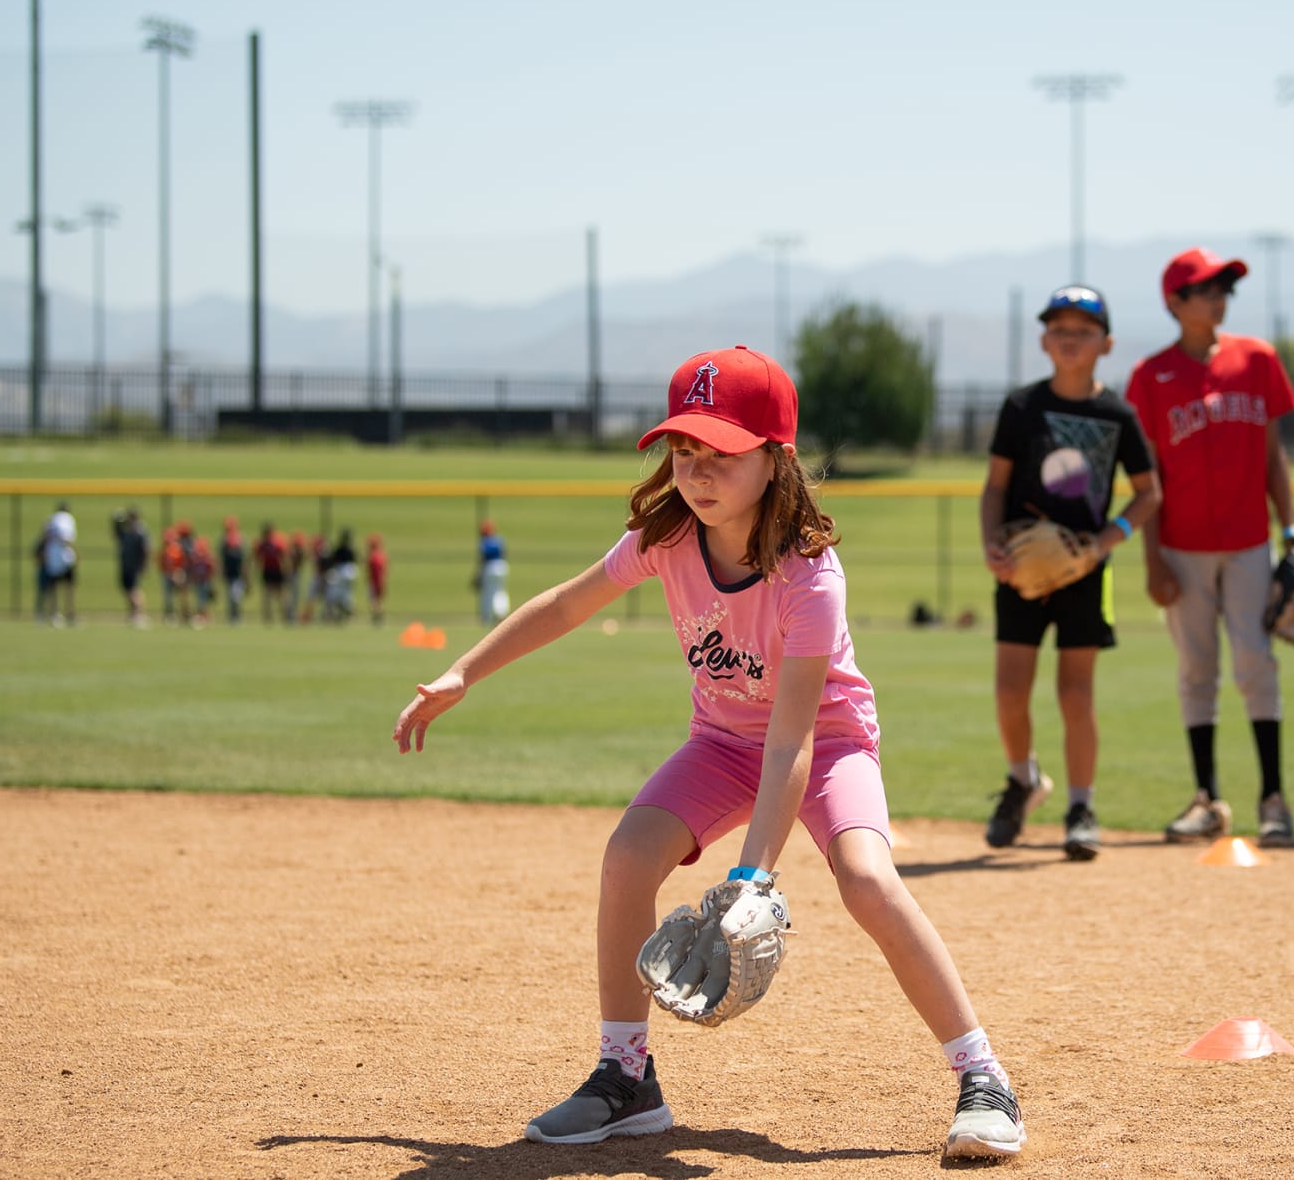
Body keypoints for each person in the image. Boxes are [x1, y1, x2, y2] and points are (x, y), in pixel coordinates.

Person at [391, 346, 1027, 1158]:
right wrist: (463, 672)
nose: (696, 471)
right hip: (723, 742)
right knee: (628, 857)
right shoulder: (667, 538)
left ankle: (983, 1077)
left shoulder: (808, 577)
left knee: (866, 878)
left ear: (775, 458)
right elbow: (566, 605)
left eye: (721, 453)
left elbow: (794, 737)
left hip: (825, 745)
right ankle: (625, 1077)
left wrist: (754, 878)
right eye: (683, 451)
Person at [1124, 247, 1294, 845]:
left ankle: (1274, 798)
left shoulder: (1258, 359)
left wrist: (1292, 533)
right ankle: (1207, 799)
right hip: (1180, 547)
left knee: (1257, 663)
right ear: (1175, 303)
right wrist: (1151, 558)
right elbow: (1146, 478)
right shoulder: (1151, 376)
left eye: (1224, 285)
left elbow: (1275, 455)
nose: (1218, 295)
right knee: (1196, 671)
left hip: (1251, 541)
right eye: (1204, 288)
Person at [978, 285, 1161, 862]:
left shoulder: (1117, 414)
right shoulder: (1022, 407)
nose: (1070, 338)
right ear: (1043, 340)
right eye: (1059, 328)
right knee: (1010, 693)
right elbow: (996, 487)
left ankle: (1081, 806)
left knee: (1075, 695)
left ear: (1105, 344)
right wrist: (990, 544)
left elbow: (1149, 494)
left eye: (1083, 330)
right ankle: (1022, 781)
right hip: (1020, 569)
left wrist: (1110, 539)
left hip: (1084, 568)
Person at [36, 501, 78, 626]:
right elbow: (66, 538)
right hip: (65, 557)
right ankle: (70, 614)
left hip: (52, 557)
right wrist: (75, 551)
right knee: (69, 588)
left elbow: (44, 536)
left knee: (53, 588)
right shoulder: (67, 519)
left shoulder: (51, 520)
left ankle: (54, 614)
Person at [114, 507, 149, 626]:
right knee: (128, 590)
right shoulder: (126, 529)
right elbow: (117, 536)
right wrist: (116, 522)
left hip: (134, 564)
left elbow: (146, 549)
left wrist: (144, 564)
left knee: (134, 590)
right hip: (125, 564)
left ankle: (139, 614)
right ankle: (132, 613)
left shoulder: (140, 530)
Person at [477, 520, 510, 626]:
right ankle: (502, 613)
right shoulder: (499, 540)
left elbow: (483, 559)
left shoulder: (484, 542)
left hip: (489, 567)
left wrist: (478, 575)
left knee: (488, 592)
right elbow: (504, 553)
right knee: (500, 590)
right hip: (502, 566)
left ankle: (487, 617)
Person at [254, 524, 288, 626]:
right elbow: (258, 557)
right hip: (267, 570)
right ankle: (268, 618)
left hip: (277, 570)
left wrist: (286, 570)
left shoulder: (278, 542)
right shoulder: (262, 544)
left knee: (280, 595)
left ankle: (285, 616)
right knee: (267, 595)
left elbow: (284, 556)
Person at [220, 517, 248, 625]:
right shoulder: (224, 540)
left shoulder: (239, 539)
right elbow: (222, 558)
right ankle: (232, 616)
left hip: (237, 574)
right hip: (229, 573)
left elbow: (244, 559)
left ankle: (236, 615)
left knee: (236, 596)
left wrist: (245, 574)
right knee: (230, 596)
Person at [285, 530, 309, 625]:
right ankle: (290, 617)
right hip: (293, 575)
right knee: (292, 597)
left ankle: (292, 616)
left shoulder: (294, 551)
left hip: (294, 575)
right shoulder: (294, 552)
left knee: (294, 597)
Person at [367, 533, 390, 626]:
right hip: (381, 580)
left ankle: (377, 616)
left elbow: (371, 570)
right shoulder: (382, 555)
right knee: (378, 600)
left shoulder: (373, 556)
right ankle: (378, 616)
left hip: (375, 581)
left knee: (374, 600)